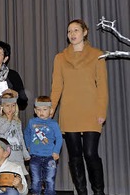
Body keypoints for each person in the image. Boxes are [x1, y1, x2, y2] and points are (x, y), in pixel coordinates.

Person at [50, 19, 108, 195]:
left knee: (90, 153)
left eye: (76, 30)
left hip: (91, 111)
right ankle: (82, 192)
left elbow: (103, 87)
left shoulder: (98, 55)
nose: (72, 34)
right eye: (69, 31)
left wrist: (101, 111)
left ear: (85, 32)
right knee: (75, 156)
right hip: (69, 111)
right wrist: (51, 109)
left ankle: (99, 192)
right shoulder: (60, 58)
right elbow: (56, 87)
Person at [24, 96, 63, 195]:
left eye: (45, 109)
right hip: (35, 156)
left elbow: (59, 138)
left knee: (50, 180)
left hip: (50, 157)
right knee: (36, 180)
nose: (41, 112)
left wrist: (56, 151)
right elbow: (26, 133)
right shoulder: (32, 122)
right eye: (39, 109)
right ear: (35, 110)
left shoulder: (54, 124)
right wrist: (28, 145)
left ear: (51, 110)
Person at [0, 89, 30, 176]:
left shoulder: (17, 121)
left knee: (19, 177)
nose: (10, 108)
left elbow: (21, 138)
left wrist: (25, 153)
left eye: (13, 105)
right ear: (2, 107)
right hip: (7, 155)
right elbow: (2, 131)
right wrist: (9, 120)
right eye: (7, 106)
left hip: (18, 155)